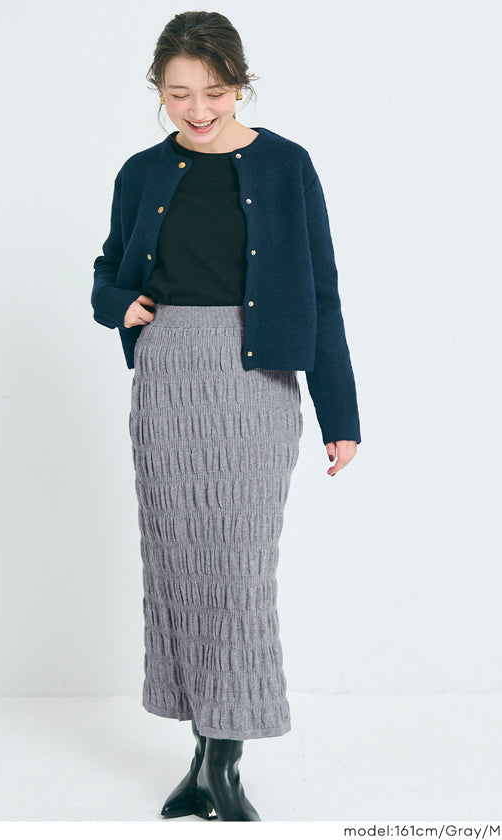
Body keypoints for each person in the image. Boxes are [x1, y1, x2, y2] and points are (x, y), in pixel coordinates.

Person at [91, 11, 361, 822]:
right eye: (180, 93)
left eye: (214, 91)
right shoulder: (141, 173)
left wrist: (340, 413)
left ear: (240, 83)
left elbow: (320, 291)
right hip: (169, 375)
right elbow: (108, 270)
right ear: (159, 91)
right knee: (178, 564)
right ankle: (202, 757)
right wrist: (119, 306)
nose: (198, 108)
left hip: (257, 379)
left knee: (239, 572)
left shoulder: (286, 166)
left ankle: (228, 758)